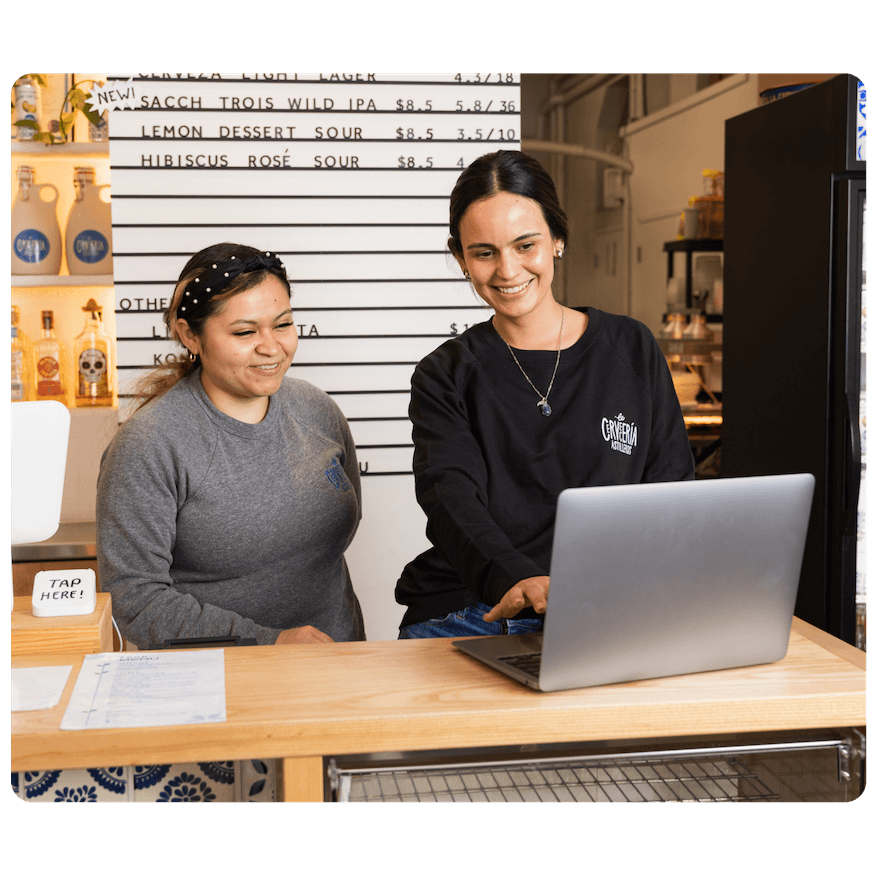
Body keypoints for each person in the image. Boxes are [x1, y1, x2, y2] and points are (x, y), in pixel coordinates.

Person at [396, 151, 694, 638]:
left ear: (557, 240)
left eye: (525, 245)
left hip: (606, 609)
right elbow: (451, 501)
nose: (508, 270)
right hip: (478, 611)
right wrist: (517, 578)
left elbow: (671, 489)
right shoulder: (443, 374)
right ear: (461, 259)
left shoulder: (630, 346)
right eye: (484, 252)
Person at [97, 242, 364, 648]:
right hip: (217, 685)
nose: (271, 347)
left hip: (338, 664)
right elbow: (134, 600)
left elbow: (340, 532)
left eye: (283, 324)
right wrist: (269, 641)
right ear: (191, 336)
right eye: (244, 332)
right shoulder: (149, 445)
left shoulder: (317, 410)